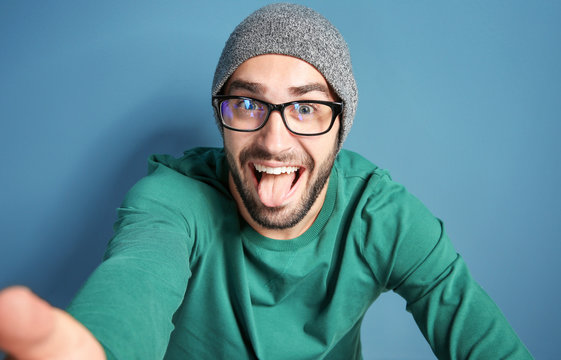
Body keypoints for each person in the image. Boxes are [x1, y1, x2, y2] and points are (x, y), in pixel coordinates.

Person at [0, 3, 533, 359]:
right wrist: (93, 348)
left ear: (340, 125)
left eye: (305, 107)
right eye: (248, 103)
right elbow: (136, 276)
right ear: (221, 115)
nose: (274, 141)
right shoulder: (172, 200)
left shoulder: (379, 216)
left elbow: (476, 332)